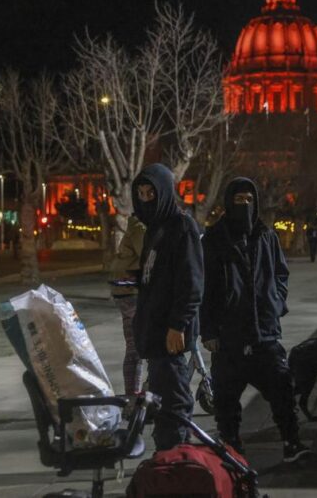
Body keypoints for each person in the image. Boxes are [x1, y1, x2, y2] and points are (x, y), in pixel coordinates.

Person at [200, 178, 310, 463]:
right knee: (225, 400)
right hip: (228, 335)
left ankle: (291, 442)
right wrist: (208, 329)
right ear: (228, 202)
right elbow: (204, 288)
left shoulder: (266, 236)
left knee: (282, 390)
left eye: (250, 200)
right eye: (239, 200)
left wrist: (275, 302)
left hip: (264, 333)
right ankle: (231, 451)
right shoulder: (214, 239)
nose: (245, 205)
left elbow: (280, 273)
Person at [132, 163, 204, 451]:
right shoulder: (154, 230)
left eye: (152, 192)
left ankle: (176, 462)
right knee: (161, 402)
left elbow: (192, 283)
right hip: (155, 334)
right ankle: (168, 459)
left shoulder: (182, 226)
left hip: (170, 334)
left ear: (164, 192)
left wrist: (178, 324)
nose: (147, 199)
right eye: (141, 193)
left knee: (174, 402)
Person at [108, 215, 146, 396]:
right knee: (135, 346)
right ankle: (133, 396)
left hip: (127, 289)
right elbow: (148, 254)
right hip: (130, 290)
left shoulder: (139, 224)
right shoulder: (141, 227)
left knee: (135, 345)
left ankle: (134, 394)